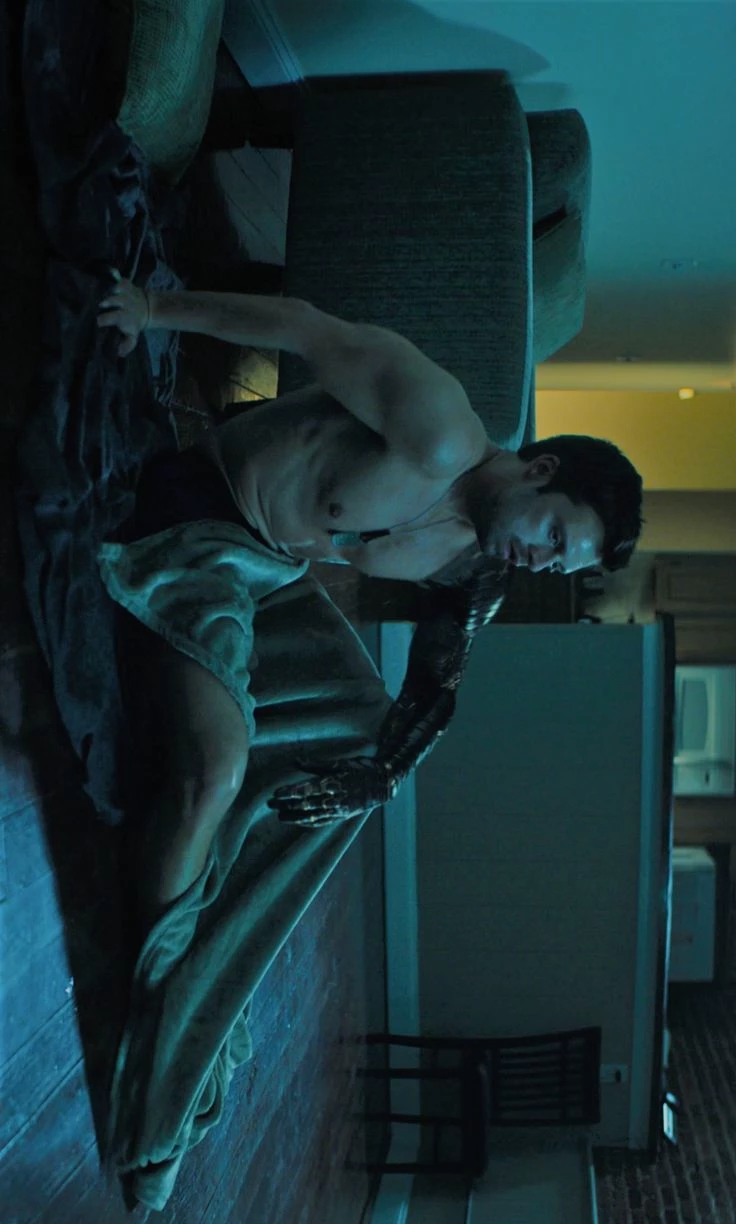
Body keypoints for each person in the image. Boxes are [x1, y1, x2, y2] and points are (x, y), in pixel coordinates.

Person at [97, 273, 643, 934]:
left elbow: (436, 687)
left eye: (557, 564)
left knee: (359, 736)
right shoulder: (438, 431)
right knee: (217, 771)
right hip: (203, 513)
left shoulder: (475, 566)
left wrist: (385, 774)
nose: (539, 560)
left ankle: (205, 884)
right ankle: (160, 959)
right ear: (541, 470)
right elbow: (303, 326)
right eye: (553, 535)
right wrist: (152, 308)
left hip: (267, 572)